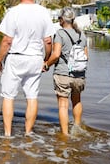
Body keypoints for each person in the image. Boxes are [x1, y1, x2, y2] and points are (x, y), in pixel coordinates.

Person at [0, 0, 55, 137]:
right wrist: (46, 60)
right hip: (35, 58)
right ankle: (28, 134)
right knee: (32, 96)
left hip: (16, 58)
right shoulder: (43, 12)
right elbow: (48, 41)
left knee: (8, 97)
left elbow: (7, 40)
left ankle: (7, 135)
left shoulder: (13, 12)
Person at [43, 7, 88, 136]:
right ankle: (77, 128)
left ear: (62, 20)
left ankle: (65, 135)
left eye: (59, 19)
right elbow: (86, 56)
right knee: (77, 101)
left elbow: (56, 54)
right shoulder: (81, 34)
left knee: (63, 105)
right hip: (79, 75)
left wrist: (46, 64)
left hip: (63, 74)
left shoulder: (60, 34)